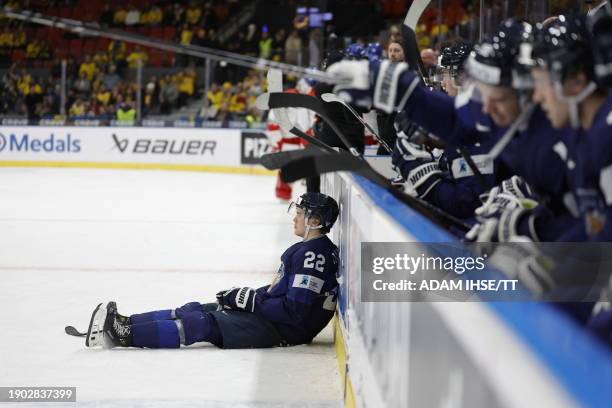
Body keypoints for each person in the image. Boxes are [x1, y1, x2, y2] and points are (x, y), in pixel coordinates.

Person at [85, 193, 340, 349]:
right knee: (195, 309)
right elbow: (284, 294)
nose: (294, 218)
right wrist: (252, 295)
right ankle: (125, 323)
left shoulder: (312, 255)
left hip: (282, 330)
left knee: (200, 324)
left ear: (314, 221)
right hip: (276, 321)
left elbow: (295, 311)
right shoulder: (310, 249)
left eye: (300, 213)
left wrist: (252, 302)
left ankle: (125, 336)